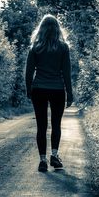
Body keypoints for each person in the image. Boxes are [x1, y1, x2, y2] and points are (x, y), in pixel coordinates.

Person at [25, 14, 73, 172]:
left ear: (42, 28)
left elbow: (29, 71)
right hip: (57, 89)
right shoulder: (63, 47)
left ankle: (42, 160)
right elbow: (66, 72)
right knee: (56, 124)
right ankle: (54, 155)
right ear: (57, 29)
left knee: (41, 126)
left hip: (38, 89)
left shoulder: (35, 47)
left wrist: (28, 89)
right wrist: (70, 93)